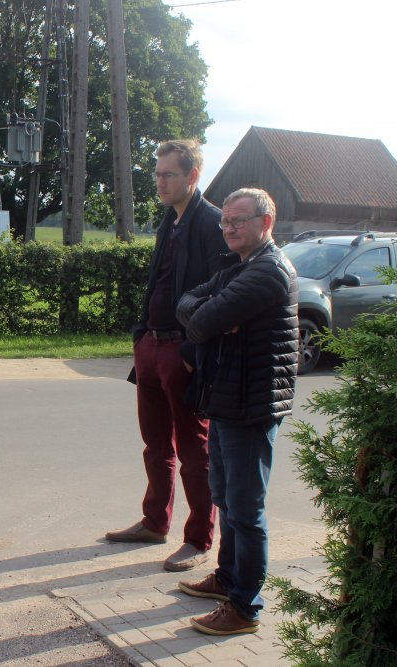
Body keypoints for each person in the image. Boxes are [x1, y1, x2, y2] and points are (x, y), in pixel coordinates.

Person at [175, 187, 298, 635]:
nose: (228, 228)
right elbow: (185, 303)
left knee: (246, 510)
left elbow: (202, 322)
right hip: (228, 398)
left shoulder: (269, 270)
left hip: (251, 404)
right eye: (225, 221)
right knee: (225, 498)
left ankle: (245, 607)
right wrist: (206, 315)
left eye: (238, 220)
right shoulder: (238, 266)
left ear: (266, 222)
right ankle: (227, 579)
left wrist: (207, 317)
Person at [105, 139, 227, 572]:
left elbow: (220, 294)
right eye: (157, 174)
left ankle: (198, 539)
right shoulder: (169, 220)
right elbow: (157, 282)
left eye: (168, 174)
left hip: (182, 350)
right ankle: (155, 523)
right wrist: (141, 336)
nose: (160, 182)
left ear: (192, 175)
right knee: (155, 445)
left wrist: (192, 351)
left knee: (195, 452)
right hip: (152, 347)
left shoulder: (212, 222)